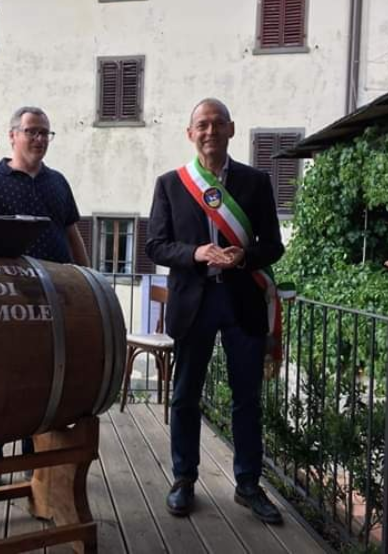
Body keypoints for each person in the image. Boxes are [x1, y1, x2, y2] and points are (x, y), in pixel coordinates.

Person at [146, 98, 285, 523]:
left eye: (217, 124)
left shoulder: (256, 182)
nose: (209, 131)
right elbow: (155, 244)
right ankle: (184, 479)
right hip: (194, 303)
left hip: (242, 302)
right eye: (201, 125)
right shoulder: (171, 183)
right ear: (191, 134)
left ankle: (247, 484)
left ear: (231, 129)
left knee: (248, 399)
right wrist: (196, 252)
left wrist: (243, 257)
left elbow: (273, 246)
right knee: (186, 396)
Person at [0, 106, 89, 490]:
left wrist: (90, 279)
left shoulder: (58, 182)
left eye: (45, 132)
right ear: (12, 136)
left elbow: (71, 233)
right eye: (31, 131)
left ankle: (30, 461)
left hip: (53, 296)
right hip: (3, 297)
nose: (39, 138)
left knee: (41, 382)